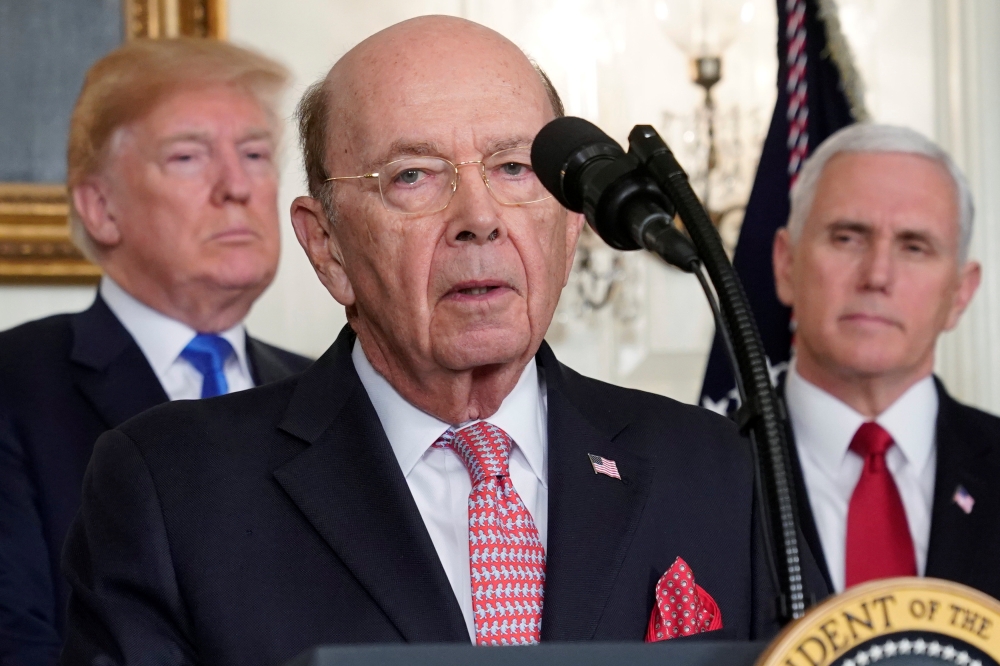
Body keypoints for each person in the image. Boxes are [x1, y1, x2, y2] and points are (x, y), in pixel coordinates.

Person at [60, 17, 825, 666]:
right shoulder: (171, 488)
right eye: (413, 176)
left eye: (515, 167)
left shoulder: (713, 467)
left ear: (571, 222)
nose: (479, 217)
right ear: (326, 245)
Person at [0, 39, 312, 665]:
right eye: (189, 156)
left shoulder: (324, 394)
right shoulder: (14, 385)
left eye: (254, 154)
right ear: (101, 207)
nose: (237, 186)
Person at [771, 123, 999, 598]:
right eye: (847, 238)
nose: (877, 275)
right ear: (786, 264)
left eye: (915, 247)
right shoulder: (697, 478)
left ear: (961, 292)